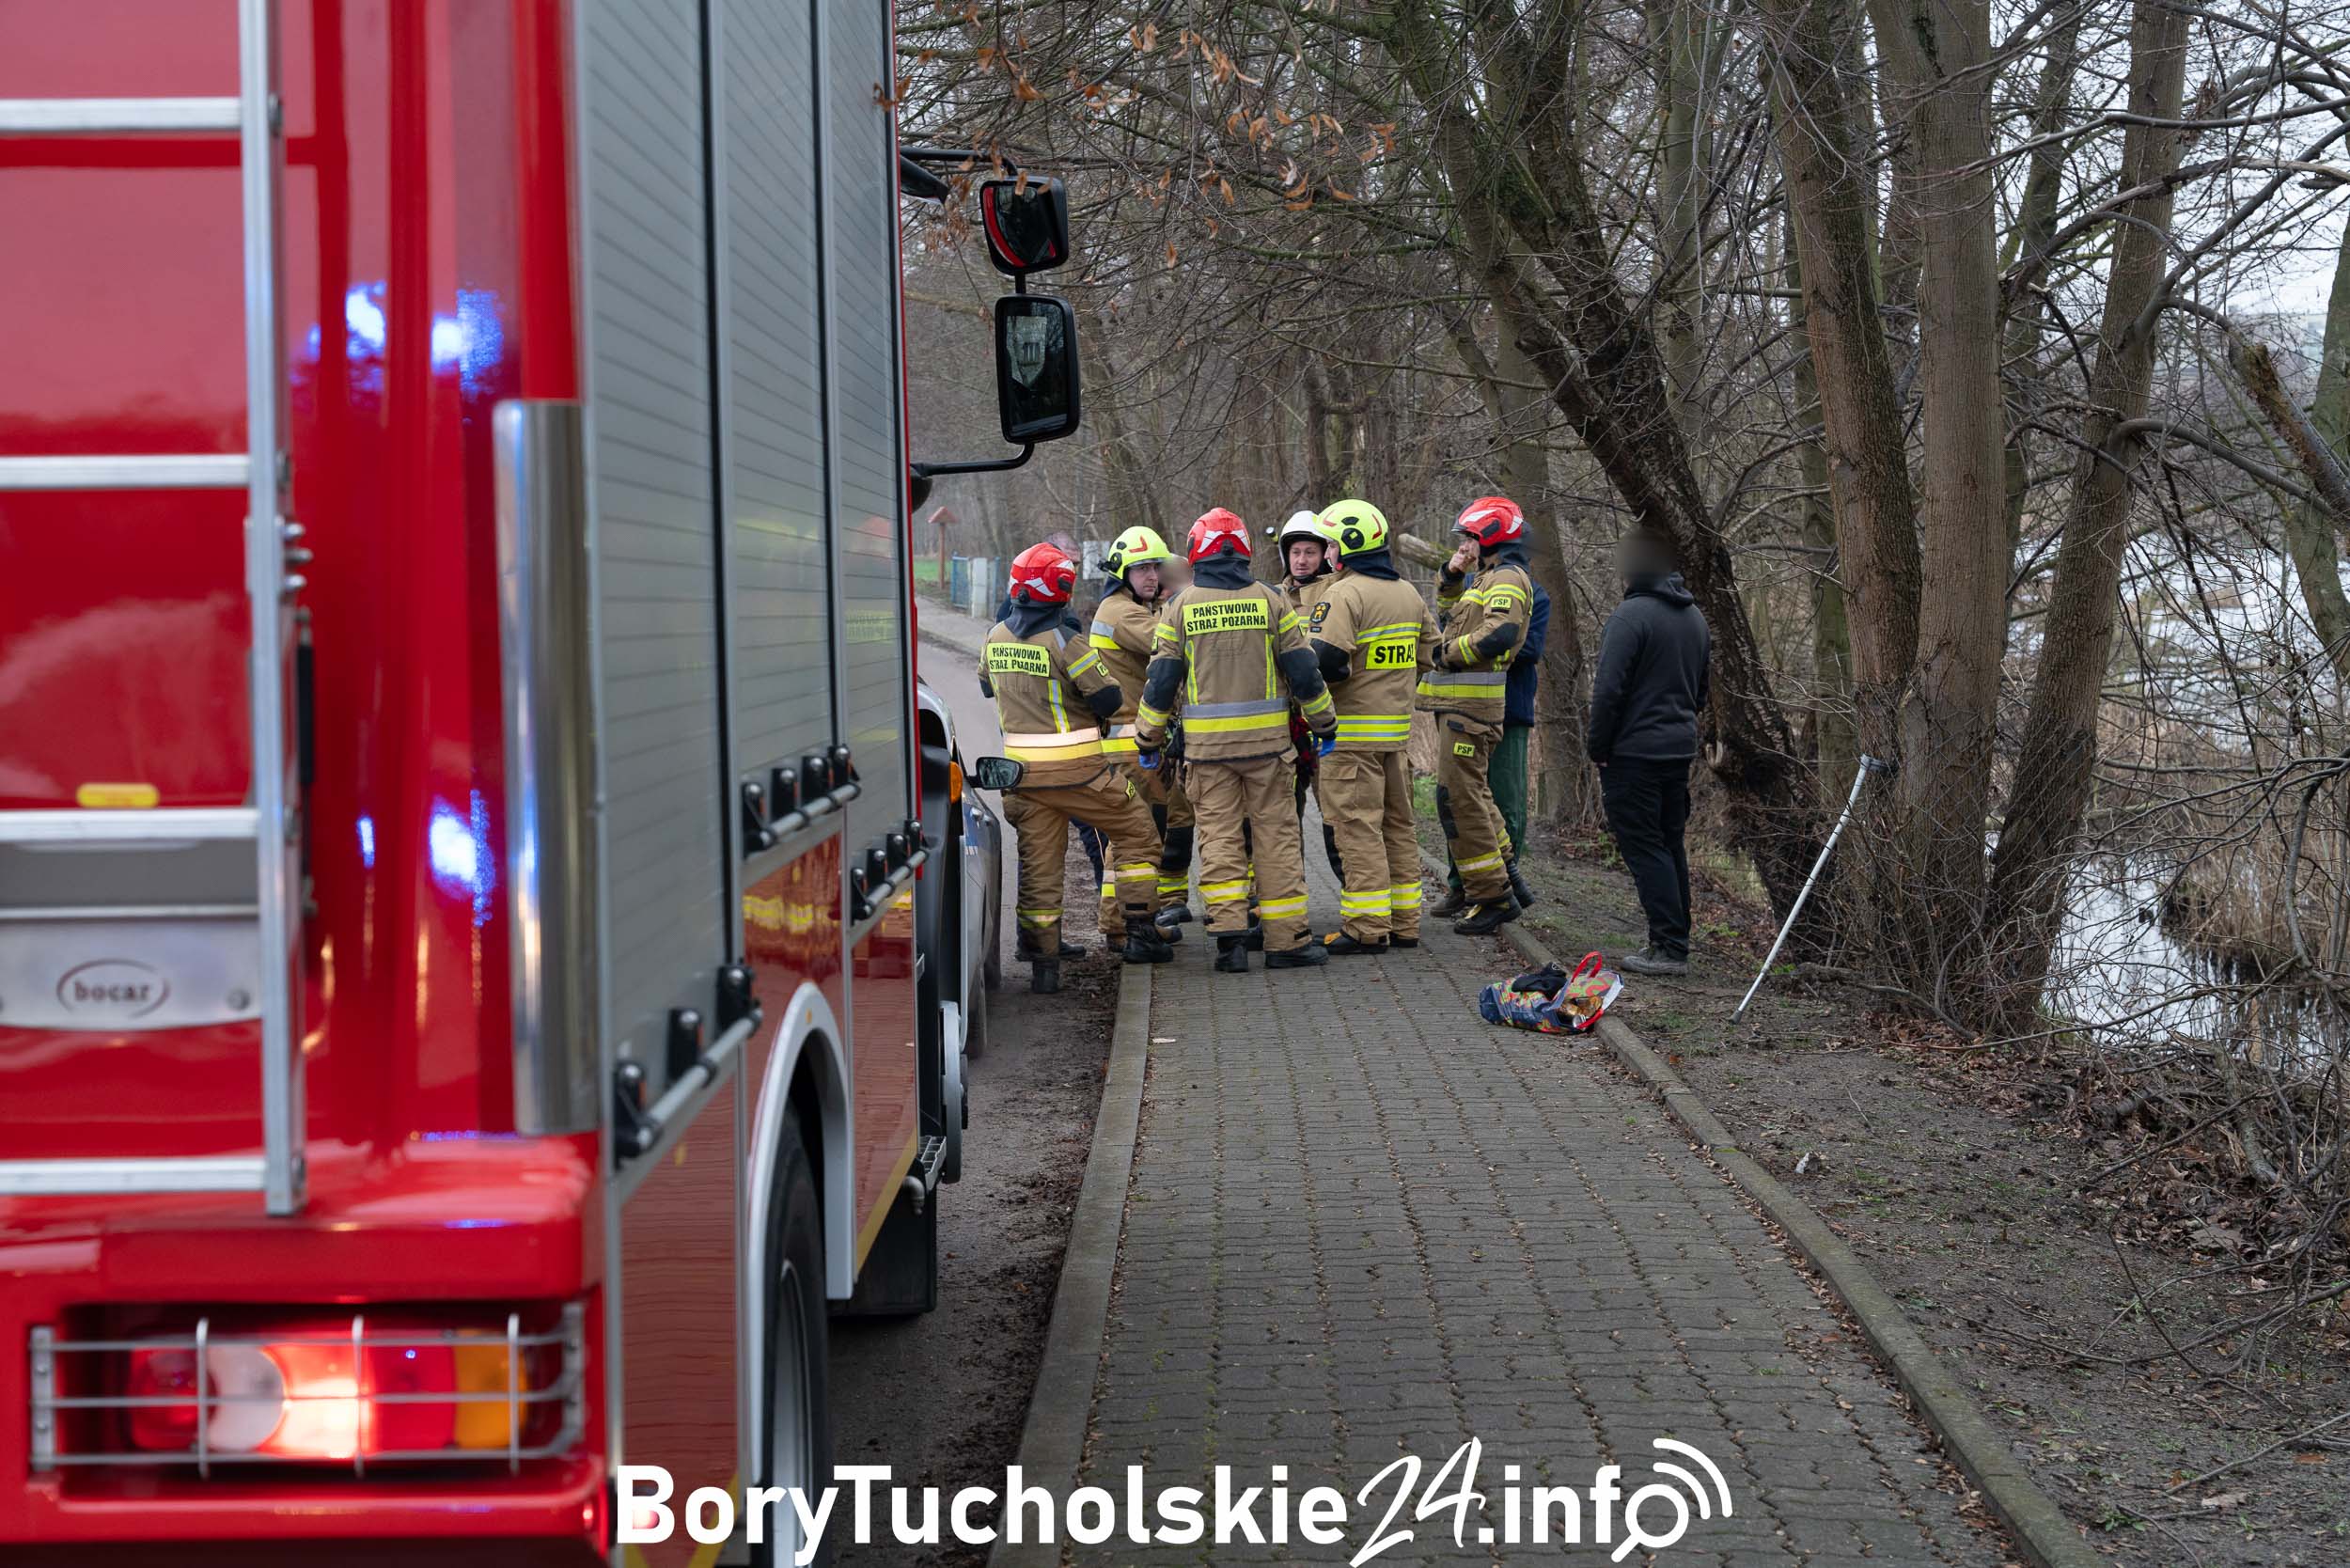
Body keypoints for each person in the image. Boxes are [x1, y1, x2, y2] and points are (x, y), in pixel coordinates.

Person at [1135, 509, 1338, 973]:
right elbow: (1304, 670)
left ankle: (1230, 944)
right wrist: (1324, 724)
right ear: (1244, 550)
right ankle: (1286, 942)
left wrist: (1148, 738)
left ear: (1196, 551)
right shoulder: (1271, 600)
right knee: (1277, 840)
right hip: (1269, 751)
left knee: (1220, 840)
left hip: (1207, 756)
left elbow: (1161, 680)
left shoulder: (1179, 607)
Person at [979, 542, 1174, 994]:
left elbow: (987, 687)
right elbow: (1107, 699)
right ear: (1062, 589)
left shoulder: (995, 637)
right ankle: (1141, 931)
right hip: (1081, 775)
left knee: (1040, 868)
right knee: (1138, 835)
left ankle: (1044, 966)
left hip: (1021, 778)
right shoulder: (1067, 641)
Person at [1305, 499, 1441, 953]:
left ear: (1346, 547)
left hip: (1351, 738)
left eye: (1327, 544)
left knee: (1356, 830)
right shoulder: (1407, 593)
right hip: (1395, 737)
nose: (1324, 553)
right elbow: (1429, 654)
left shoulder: (1344, 594)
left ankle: (1366, 928)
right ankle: (1404, 923)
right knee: (1398, 827)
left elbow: (1324, 660)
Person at [1589, 528, 1711, 976]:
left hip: (1632, 753)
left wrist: (1598, 747)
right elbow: (1701, 692)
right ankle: (1675, 940)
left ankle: (1668, 947)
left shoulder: (1630, 616)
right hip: (1678, 750)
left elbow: (1607, 692)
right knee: (1669, 843)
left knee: (1645, 847)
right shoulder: (1694, 616)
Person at [1417, 495, 1535, 935]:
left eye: (1468, 536)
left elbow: (1499, 633)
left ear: (1487, 535)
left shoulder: (1506, 578)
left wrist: (1445, 656)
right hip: (1460, 709)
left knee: (1459, 800)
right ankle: (1508, 882)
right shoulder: (1485, 579)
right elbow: (1452, 616)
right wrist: (1451, 574)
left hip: (1472, 712)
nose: (1464, 544)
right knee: (1475, 796)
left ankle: (1492, 897)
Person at [1089, 525, 1194, 944]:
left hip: (1140, 744)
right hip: (1131, 747)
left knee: (1145, 836)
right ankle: (1120, 926)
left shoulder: (1132, 608)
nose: (1152, 576)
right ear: (1121, 574)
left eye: (1155, 567)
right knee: (1136, 840)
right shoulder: (1123, 613)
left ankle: (1134, 921)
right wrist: (1192, 596)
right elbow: (1176, 641)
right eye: (1141, 569)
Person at [1439, 579, 1546, 915]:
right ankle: (1465, 885)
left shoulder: (1531, 592)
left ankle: (1503, 887)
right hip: (1462, 706)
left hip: (1509, 711)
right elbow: (1448, 626)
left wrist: (1468, 646)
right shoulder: (1475, 586)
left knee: (1504, 801)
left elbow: (1526, 645)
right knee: (1460, 799)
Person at [1275, 510, 1344, 879]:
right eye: (1296, 552)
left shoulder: (1336, 593)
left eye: (1310, 553)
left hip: (1325, 724)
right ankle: (1289, 898)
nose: (1301, 560)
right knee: (1284, 819)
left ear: (1325, 554)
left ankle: (1357, 902)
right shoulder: (1275, 597)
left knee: (1335, 817)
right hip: (1287, 727)